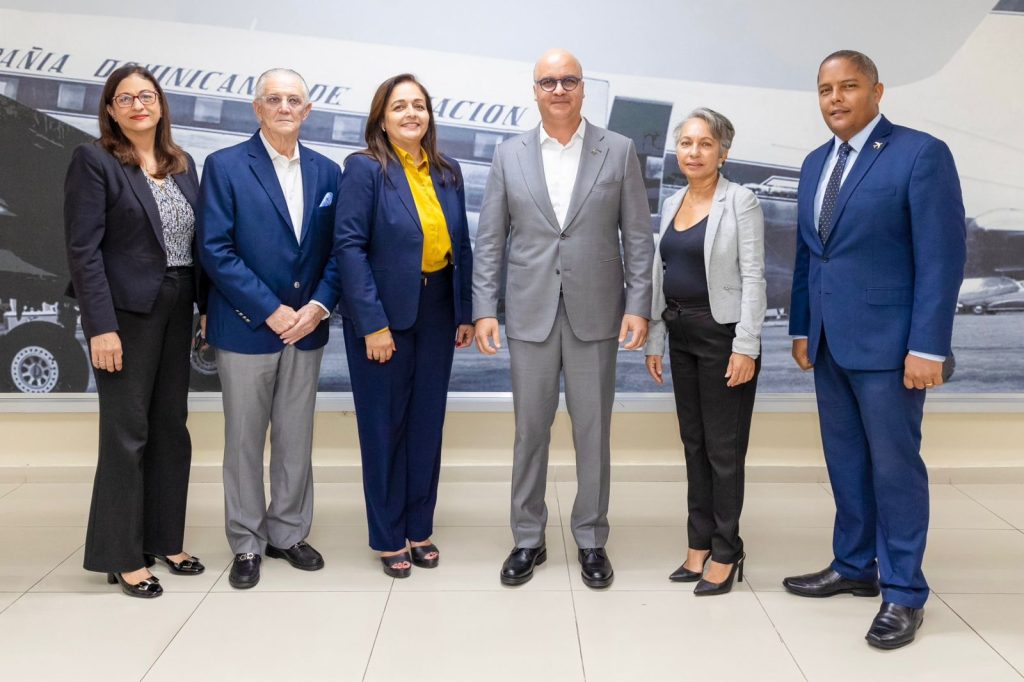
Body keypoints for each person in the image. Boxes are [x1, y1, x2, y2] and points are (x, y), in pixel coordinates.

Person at [784, 50, 966, 649]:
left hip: (893, 349)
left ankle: (904, 592)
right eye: (825, 90)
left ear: (877, 91)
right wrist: (804, 329)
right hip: (831, 346)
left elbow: (941, 258)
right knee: (845, 465)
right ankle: (855, 565)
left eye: (848, 87)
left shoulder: (920, 155)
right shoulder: (815, 163)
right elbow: (813, 254)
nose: (835, 99)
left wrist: (928, 346)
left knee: (895, 469)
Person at [474, 48, 654, 589]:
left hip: (596, 314)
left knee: (592, 431)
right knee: (530, 431)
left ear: (582, 89)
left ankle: (592, 538)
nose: (558, 90)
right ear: (534, 90)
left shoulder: (617, 151)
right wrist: (484, 308)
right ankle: (528, 538)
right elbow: (489, 241)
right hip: (528, 313)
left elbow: (638, 239)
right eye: (548, 81)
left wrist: (638, 306)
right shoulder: (509, 155)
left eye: (568, 81)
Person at [65, 64, 206, 598]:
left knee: (171, 426)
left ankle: (166, 540)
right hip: (125, 315)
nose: (138, 105)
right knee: (127, 434)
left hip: (177, 305)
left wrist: (206, 308)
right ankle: (122, 556)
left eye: (147, 96)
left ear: (161, 105)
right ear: (110, 109)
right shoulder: (95, 160)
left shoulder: (180, 163)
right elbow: (83, 250)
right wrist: (100, 327)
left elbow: (198, 245)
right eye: (125, 98)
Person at [199, 68, 342, 589]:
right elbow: (215, 249)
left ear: (308, 111)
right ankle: (246, 542)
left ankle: (288, 533)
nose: (285, 107)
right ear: (256, 109)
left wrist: (320, 306)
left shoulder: (330, 173)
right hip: (246, 328)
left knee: (295, 437)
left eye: (295, 100)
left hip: (307, 328)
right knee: (243, 440)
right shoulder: (225, 166)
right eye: (274, 99)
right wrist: (271, 310)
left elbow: (338, 253)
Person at [334, 74, 474, 578]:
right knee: (383, 427)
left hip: (437, 311)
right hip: (384, 317)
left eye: (419, 106)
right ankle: (389, 535)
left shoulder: (448, 171)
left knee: (425, 425)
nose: (411, 114)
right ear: (382, 117)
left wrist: (463, 312)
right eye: (400, 106)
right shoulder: (365, 169)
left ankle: (420, 527)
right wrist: (372, 324)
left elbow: (461, 245)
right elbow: (348, 247)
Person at [644, 108, 766, 596]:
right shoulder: (673, 200)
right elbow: (660, 274)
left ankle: (726, 550)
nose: (694, 152)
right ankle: (697, 546)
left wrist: (747, 346)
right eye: (687, 143)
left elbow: (754, 276)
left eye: (705, 144)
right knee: (693, 444)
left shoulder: (742, 201)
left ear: (723, 152)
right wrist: (656, 336)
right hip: (680, 334)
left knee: (723, 450)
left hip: (724, 337)